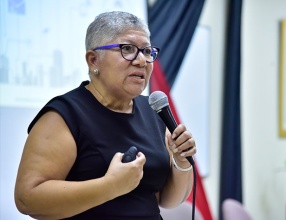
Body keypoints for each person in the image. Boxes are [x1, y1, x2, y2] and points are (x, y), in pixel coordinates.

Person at [14, 11, 196, 220]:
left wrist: (181, 162)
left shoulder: (153, 111)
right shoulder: (65, 115)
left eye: (147, 51)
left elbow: (167, 200)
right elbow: (27, 199)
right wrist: (110, 186)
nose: (141, 61)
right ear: (93, 61)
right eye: (127, 49)